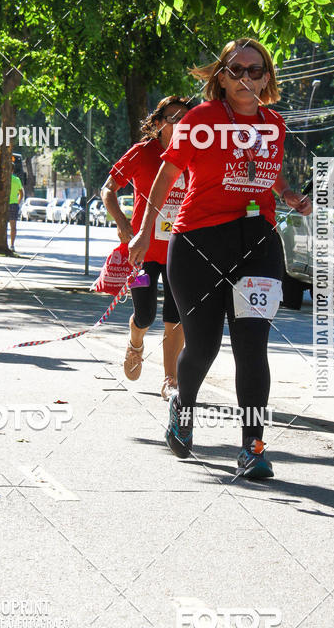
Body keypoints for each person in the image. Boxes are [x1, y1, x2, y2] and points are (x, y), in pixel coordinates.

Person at [128, 38, 312, 479]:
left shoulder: (274, 124)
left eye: (254, 69)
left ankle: (253, 447)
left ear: (267, 76)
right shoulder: (200, 119)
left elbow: (268, 175)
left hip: (258, 245)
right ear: (222, 77)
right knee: (205, 345)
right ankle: (182, 407)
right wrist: (141, 230)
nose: (245, 77)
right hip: (197, 244)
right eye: (236, 70)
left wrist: (287, 194)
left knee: (252, 346)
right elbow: (169, 173)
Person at [102, 96, 191, 400]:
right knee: (145, 313)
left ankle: (171, 380)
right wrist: (124, 225)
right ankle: (135, 342)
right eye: (171, 117)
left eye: (184, 118)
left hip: (180, 249)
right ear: (157, 123)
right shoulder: (143, 153)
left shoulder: (195, 155)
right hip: (142, 251)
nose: (178, 123)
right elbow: (108, 190)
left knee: (175, 315)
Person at [8, 170, 23, 250]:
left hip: (3, 204)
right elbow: (21, 193)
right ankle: (12, 245)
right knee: (13, 226)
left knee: (1, 226)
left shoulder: (0, 179)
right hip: (13, 204)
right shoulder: (17, 180)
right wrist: (18, 202)